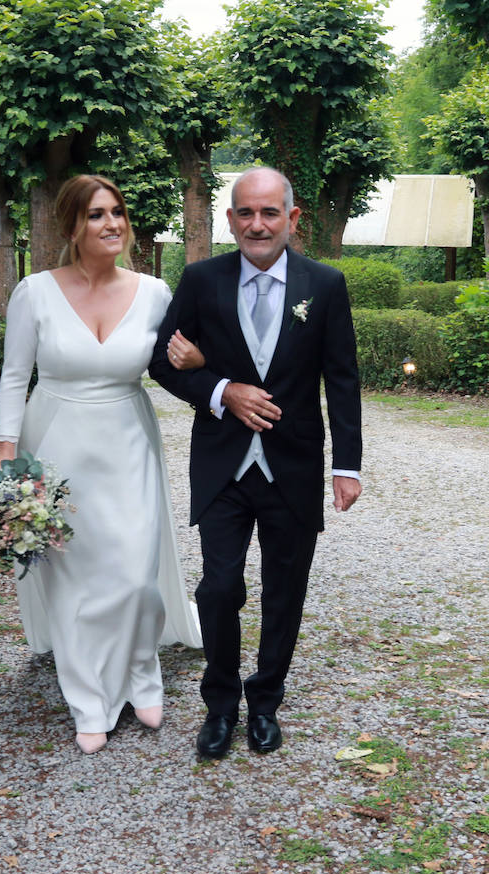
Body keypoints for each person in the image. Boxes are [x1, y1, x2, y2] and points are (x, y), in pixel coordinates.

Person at [149, 166, 362, 759]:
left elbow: (341, 381)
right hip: (223, 466)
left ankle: (265, 700)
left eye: (270, 213)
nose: (257, 224)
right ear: (230, 220)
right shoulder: (200, 280)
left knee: (285, 589)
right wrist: (222, 390)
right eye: (246, 212)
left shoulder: (325, 284)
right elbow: (163, 364)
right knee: (219, 587)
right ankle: (219, 706)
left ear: (292, 219)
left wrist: (348, 465)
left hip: (293, 465)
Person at [0, 174, 203, 755]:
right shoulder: (34, 292)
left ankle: (141, 675)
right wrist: (7, 453)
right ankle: (89, 699)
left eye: (116, 212)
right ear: (71, 227)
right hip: (55, 438)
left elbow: (179, 364)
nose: (111, 224)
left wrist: (201, 358)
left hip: (128, 437)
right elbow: (15, 377)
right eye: (95, 215)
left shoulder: (156, 293)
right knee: (74, 578)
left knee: (136, 573)